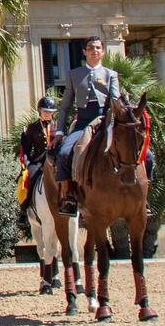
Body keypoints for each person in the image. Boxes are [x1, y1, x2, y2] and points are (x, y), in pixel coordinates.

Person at [53, 36, 123, 215]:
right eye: (91, 48)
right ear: (84, 52)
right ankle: (68, 195)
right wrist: (60, 131)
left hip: (105, 121)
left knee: (144, 154)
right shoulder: (74, 74)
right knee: (63, 155)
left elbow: (116, 101)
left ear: (103, 51)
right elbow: (66, 106)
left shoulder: (111, 75)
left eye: (98, 47)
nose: (95, 51)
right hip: (83, 122)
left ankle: (141, 198)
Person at [19, 95, 57, 215]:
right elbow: (26, 147)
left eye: (50, 112)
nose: (47, 114)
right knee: (29, 178)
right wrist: (25, 162)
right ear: (40, 111)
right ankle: (25, 209)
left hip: (55, 159)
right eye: (45, 111)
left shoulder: (58, 127)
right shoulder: (32, 128)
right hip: (39, 160)